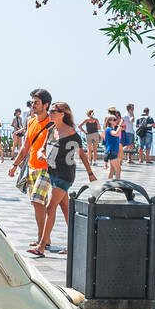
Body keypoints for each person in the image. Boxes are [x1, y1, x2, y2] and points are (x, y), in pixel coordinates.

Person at [28, 102, 97, 256]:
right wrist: (41, 154)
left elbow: (81, 154)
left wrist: (90, 173)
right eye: (50, 110)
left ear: (63, 113)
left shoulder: (71, 133)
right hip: (52, 173)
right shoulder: (51, 130)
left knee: (49, 208)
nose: (50, 113)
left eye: (53, 111)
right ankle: (76, 244)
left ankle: (41, 246)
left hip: (65, 175)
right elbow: (43, 148)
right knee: (66, 210)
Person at [7, 88, 54, 246]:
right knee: (38, 204)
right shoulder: (31, 121)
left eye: (37, 103)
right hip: (32, 167)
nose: (33, 105)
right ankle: (43, 237)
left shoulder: (52, 123)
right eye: (33, 102)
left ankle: (42, 238)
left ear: (46, 105)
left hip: (47, 168)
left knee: (36, 200)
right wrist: (15, 165)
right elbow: (25, 147)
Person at [102, 113, 123, 179]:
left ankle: (109, 184)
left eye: (116, 119)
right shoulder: (109, 129)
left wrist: (119, 126)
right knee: (118, 170)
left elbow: (118, 133)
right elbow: (116, 134)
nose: (116, 120)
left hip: (112, 151)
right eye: (114, 119)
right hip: (112, 152)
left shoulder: (111, 129)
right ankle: (117, 186)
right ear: (110, 121)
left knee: (112, 170)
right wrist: (120, 125)